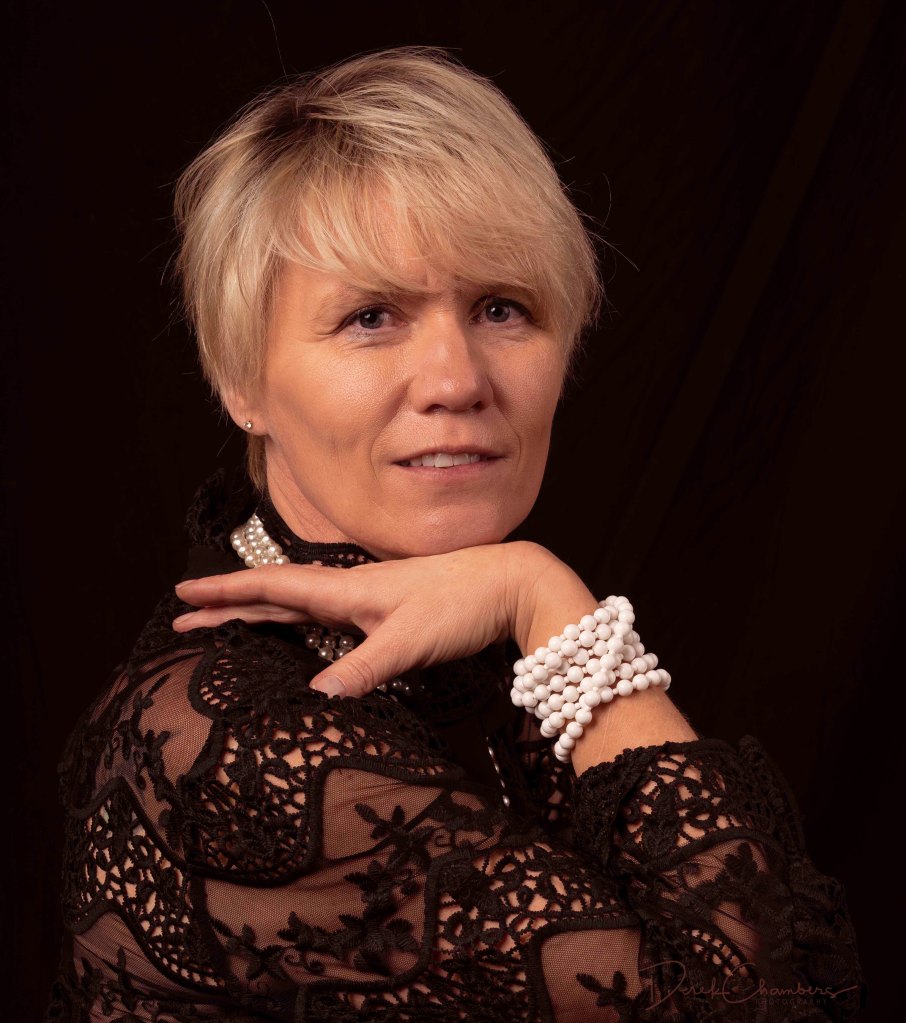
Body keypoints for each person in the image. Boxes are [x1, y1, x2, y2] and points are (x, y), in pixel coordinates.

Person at [46, 45, 866, 1022]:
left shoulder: (458, 657)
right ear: (242, 380)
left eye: (500, 308)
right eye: (371, 317)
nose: (457, 380)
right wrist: (544, 598)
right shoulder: (252, 742)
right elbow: (768, 1003)